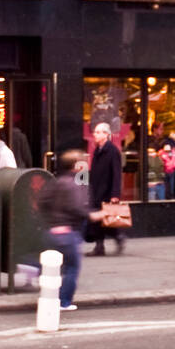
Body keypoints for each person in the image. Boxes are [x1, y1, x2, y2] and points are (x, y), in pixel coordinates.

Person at [37, 150, 109, 311]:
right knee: (72, 267)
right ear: (77, 165)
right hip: (68, 233)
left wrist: (51, 220)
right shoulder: (75, 184)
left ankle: (33, 268)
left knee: (55, 266)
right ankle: (64, 302)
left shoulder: (58, 181)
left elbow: (43, 201)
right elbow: (77, 207)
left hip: (52, 232)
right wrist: (94, 215)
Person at [87, 122, 126, 256]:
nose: (95, 135)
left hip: (107, 191)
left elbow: (116, 174)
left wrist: (115, 194)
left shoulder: (113, 151)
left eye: (98, 132)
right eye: (95, 132)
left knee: (107, 219)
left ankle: (118, 237)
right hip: (96, 190)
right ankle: (99, 247)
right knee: (97, 220)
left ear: (106, 134)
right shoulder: (97, 150)